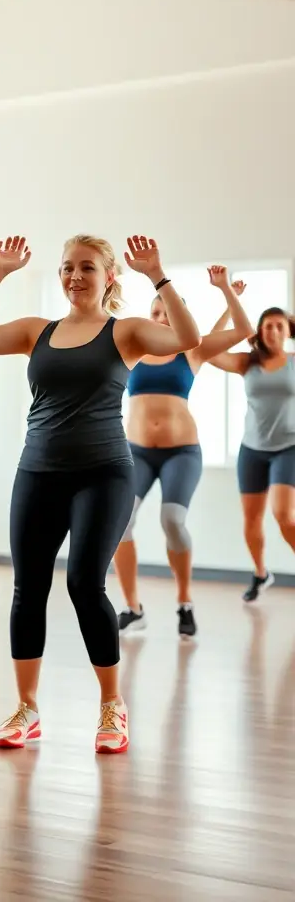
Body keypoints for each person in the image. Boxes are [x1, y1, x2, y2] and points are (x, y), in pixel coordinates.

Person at [0, 233, 201, 755]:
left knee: (86, 584)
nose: (73, 276)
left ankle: (112, 705)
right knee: (28, 588)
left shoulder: (127, 332)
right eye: (67, 267)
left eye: (86, 267)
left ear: (109, 275)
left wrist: (157, 274)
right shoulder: (36, 332)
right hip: (38, 471)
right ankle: (26, 708)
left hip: (105, 473)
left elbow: (186, 335)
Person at [114, 268, 254, 639]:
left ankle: (184, 601)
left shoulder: (191, 351)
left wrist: (227, 292)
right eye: (155, 313)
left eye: (167, 313)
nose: (160, 318)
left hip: (181, 452)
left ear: (179, 319)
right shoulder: (132, 351)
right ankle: (133, 607)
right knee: (120, 523)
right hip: (136, 452)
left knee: (172, 520)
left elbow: (241, 331)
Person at [208, 304, 295, 602]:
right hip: (253, 450)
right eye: (267, 326)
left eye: (279, 326)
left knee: (285, 515)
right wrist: (227, 299)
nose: (273, 331)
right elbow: (210, 352)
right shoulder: (248, 362)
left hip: (288, 448)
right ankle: (260, 573)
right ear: (258, 331)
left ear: (288, 331)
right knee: (251, 521)